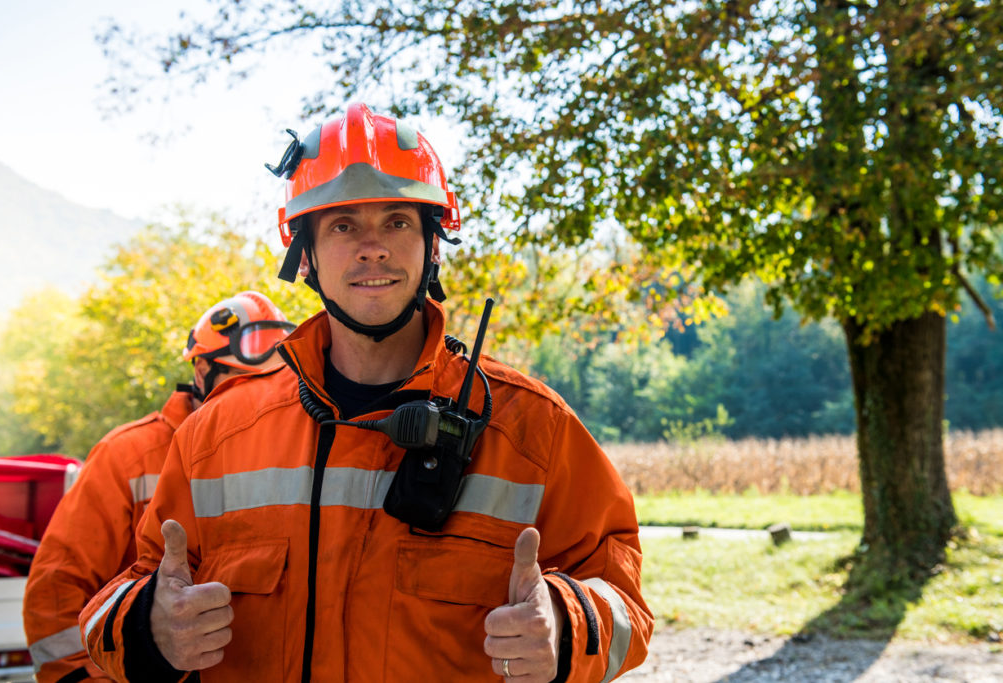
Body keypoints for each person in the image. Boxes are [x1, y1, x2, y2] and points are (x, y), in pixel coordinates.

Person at [80, 103, 654, 682]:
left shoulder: (533, 428)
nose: (372, 247)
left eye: (398, 221)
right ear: (302, 253)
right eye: (343, 225)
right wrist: (148, 626)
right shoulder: (215, 436)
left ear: (434, 243)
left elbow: (626, 604)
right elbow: (131, 586)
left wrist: (562, 624)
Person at [24, 291, 295, 682]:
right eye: (241, 384)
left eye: (270, 387)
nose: (254, 404)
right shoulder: (127, 455)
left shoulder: (288, 461)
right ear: (202, 372)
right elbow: (56, 590)